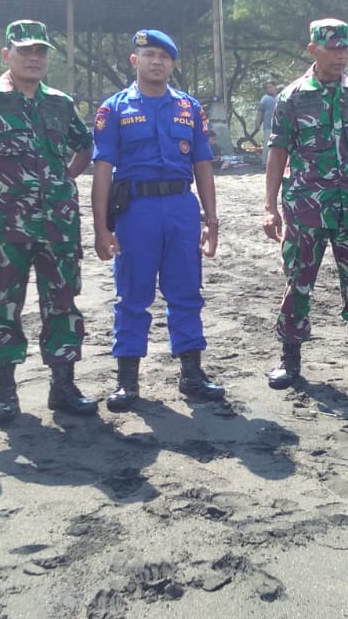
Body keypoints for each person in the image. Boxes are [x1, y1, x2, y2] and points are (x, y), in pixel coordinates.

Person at [0, 20, 97, 426]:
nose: (33, 58)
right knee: (5, 305)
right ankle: (5, 394)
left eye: (40, 51)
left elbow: (85, 146)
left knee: (62, 303)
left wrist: (65, 180)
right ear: (6, 54)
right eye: (25, 50)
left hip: (59, 224)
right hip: (6, 224)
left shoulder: (60, 103)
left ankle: (63, 387)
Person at [90, 29, 226, 411]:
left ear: (172, 64)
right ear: (135, 61)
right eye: (149, 54)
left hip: (181, 207)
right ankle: (127, 381)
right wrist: (100, 228)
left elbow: (203, 165)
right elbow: (102, 170)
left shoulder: (189, 107)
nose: (157, 62)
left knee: (186, 291)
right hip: (136, 210)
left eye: (164, 57)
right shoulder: (114, 109)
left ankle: (192, 374)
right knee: (132, 294)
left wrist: (212, 221)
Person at [262, 18, 348, 392]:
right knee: (298, 281)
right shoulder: (291, 97)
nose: (341, 56)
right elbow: (277, 152)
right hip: (306, 208)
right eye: (334, 49)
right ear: (313, 50)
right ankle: (290, 359)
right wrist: (269, 206)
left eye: (345, 49)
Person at [253, 81, 277, 166]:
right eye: (267, 88)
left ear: (275, 87)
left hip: (279, 126)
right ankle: (265, 163)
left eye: (270, 87)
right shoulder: (265, 99)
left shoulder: (280, 98)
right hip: (268, 126)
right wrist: (257, 123)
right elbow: (260, 111)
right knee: (267, 145)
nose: (269, 89)